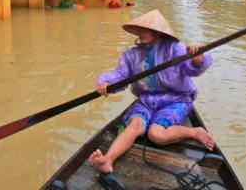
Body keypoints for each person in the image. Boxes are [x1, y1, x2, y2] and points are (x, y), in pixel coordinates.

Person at [89, 10, 215, 174]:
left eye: (146, 29)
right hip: (146, 101)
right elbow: (120, 76)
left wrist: (198, 58)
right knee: (134, 126)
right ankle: (107, 160)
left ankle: (194, 131)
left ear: (158, 33)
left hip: (176, 99)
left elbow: (192, 69)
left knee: (156, 134)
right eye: (139, 29)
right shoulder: (131, 55)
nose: (141, 32)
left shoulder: (174, 49)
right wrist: (106, 83)